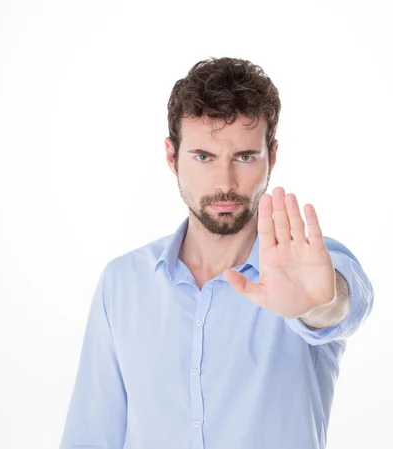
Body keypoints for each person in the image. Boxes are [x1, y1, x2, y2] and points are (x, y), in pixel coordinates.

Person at [59, 56, 374, 449]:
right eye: (204, 157)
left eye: (244, 157)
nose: (225, 183)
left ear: (271, 157)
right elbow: (92, 434)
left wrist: (316, 306)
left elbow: (343, 305)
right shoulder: (122, 283)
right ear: (172, 156)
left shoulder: (307, 265)